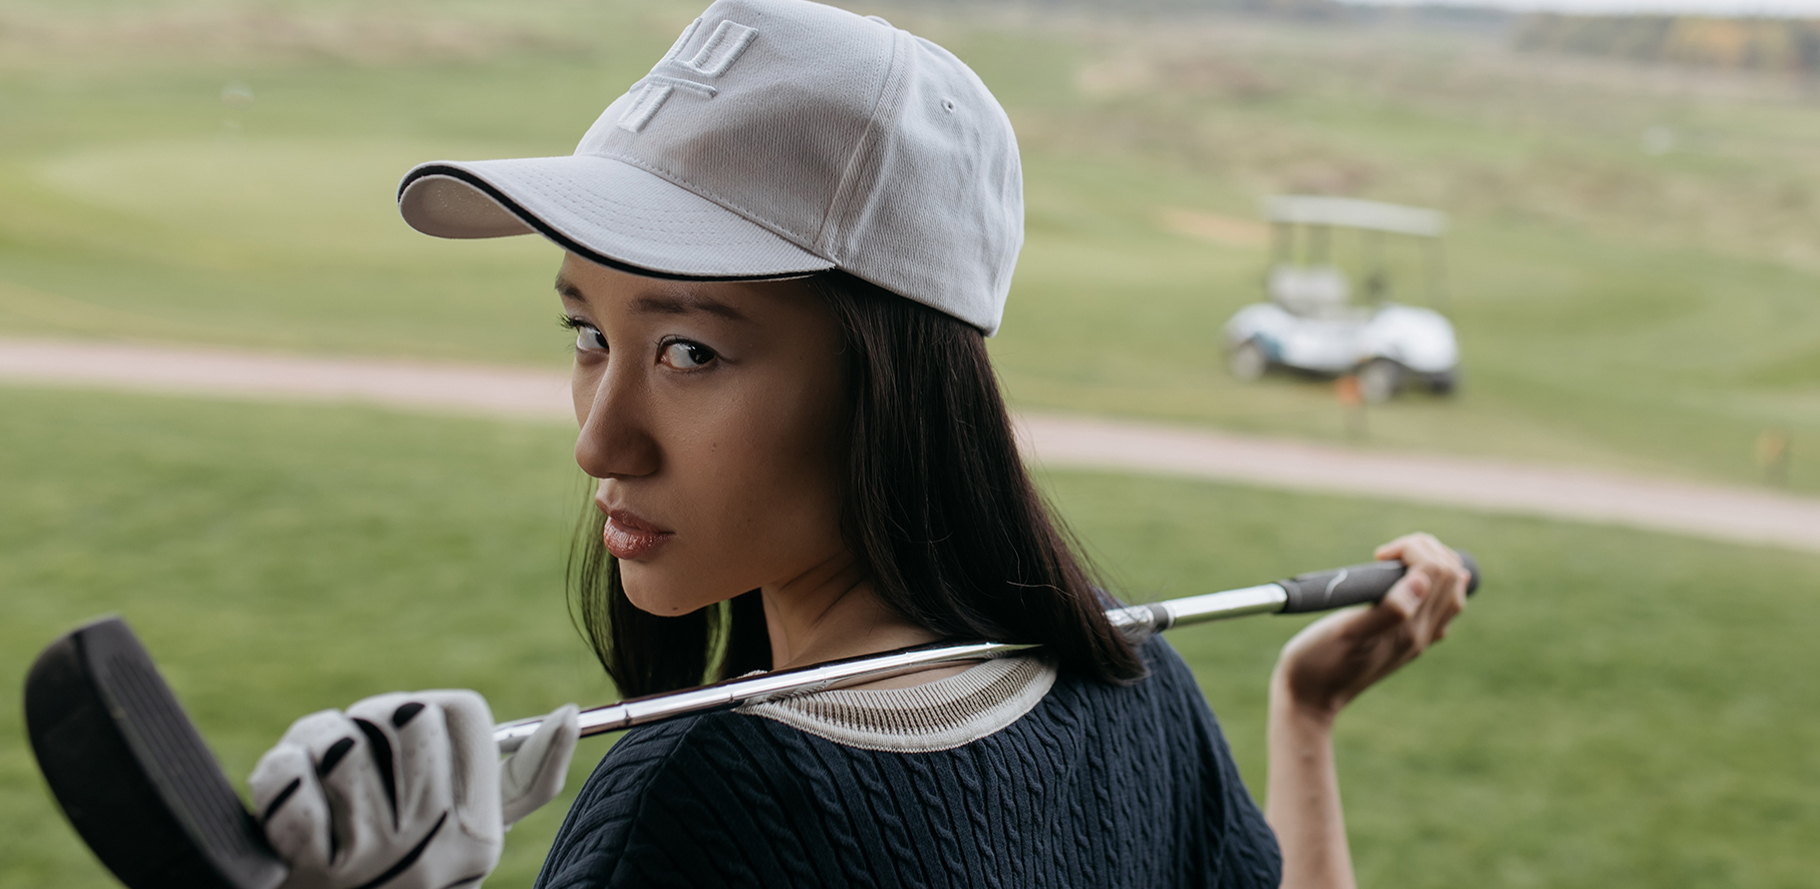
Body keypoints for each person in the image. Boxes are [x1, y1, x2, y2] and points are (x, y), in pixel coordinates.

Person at [245, 1, 1472, 887]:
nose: (600, 441)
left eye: (689, 352)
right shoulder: (1135, 683)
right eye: (585, 333)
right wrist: (1302, 722)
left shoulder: (690, 808)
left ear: (895, 390)